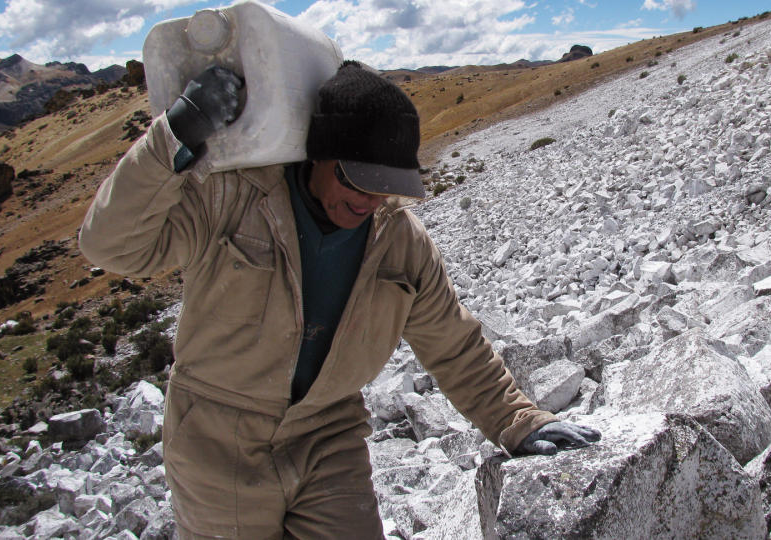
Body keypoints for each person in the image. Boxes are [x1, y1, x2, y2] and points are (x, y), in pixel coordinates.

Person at [79, 61, 600, 539]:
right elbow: (110, 245)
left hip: (328, 432)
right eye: (358, 178)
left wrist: (520, 420)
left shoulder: (400, 240)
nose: (370, 200)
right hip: (217, 441)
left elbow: (453, 344)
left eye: (387, 185)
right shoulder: (232, 200)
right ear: (320, 151)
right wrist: (176, 134)